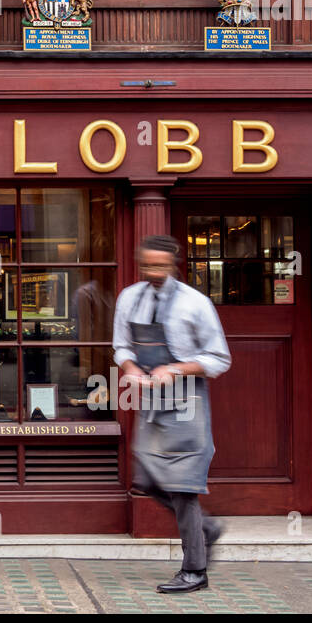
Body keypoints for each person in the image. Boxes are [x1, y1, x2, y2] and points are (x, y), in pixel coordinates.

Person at [112, 234, 231, 593]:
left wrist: (177, 369)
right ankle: (206, 530)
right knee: (147, 480)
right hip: (146, 396)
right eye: (148, 265)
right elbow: (120, 345)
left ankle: (194, 570)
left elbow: (219, 357)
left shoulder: (196, 303)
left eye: (161, 266)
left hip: (185, 399)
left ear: (174, 264)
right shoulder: (129, 298)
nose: (154, 271)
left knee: (183, 487)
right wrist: (130, 366)